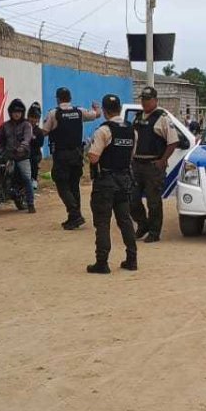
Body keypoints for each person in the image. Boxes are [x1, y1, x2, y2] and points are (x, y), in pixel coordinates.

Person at [85, 94, 138, 274]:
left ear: (105, 111)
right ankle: (132, 259)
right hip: (124, 180)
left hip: (106, 181)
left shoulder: (103, 131)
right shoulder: (132, 130)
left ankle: (102, 262)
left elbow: (93, 157)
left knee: (102, 222)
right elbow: (130, 156)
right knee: (125, 220)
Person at [42, 87, 101, 230]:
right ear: (70, 98)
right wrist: (96, 108)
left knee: (62, 183)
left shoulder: (54, 113)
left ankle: (74, 214)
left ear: (58, 99)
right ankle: (74, 217)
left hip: (61, 155)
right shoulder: (79, 111)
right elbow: (97, 115)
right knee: (74, 185)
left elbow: (44, 132)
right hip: (77, 154)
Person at [130, 86, 179, 243]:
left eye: (148, 99)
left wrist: (162, 160)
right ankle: (142, 225)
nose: (144, 102)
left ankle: (154, 231)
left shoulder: (162, 118)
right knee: (132, 199)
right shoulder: (137, 118)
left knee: (153, 201)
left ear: (155, 100)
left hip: (153, 165)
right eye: (143, 99)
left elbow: (173, 142)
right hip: (137, 165)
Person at [0, 98, 36, 213]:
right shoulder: (5, 126)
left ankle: (30, 203)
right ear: (10, 113)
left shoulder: (26, 125)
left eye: (18, 112)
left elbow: (27, 138)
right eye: (14, 112)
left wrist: (22, 146)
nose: (16, 114)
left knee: (26, 178)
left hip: (22, 156)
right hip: (7, 155)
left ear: (22, 113)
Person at [28, 103, 44, 203]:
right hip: (19, 153)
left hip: (33, 154)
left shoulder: (38, 132)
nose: (33, 120)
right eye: (31, 117)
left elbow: (40, 143)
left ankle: (33, 179)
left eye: (35, 118)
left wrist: (32, 139)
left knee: (32, 159)